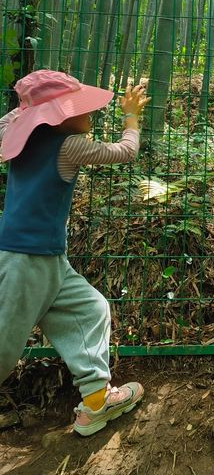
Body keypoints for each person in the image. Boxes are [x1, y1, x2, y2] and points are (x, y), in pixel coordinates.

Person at [0, 69, 150, 436]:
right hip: (25, 262)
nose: (90, 114)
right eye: (81, 107)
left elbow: (8, 120)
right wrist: (131, 117)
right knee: (2, 346)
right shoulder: (68, 145)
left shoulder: (15, 139)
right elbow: (125, 151)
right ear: (60, 117)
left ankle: (96, 402)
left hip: (48, 260)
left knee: (91, 309)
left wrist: (26, 111)